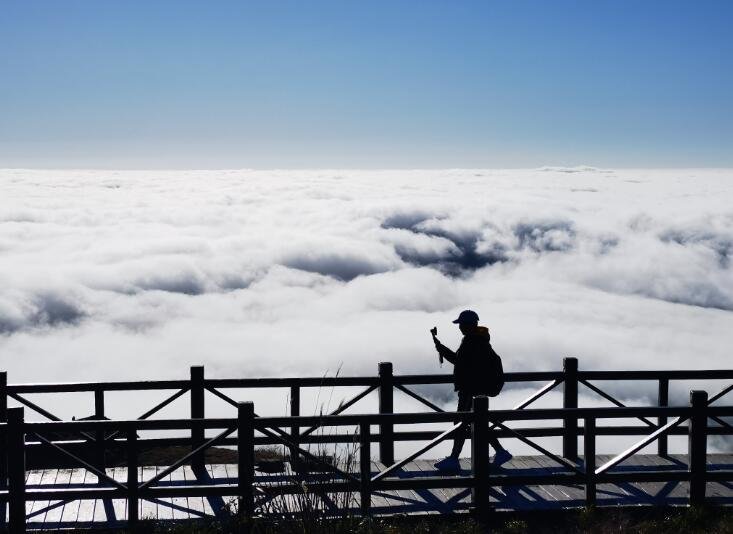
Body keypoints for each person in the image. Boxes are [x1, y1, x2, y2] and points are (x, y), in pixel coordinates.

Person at [431, 309, 511, 471]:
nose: (459, 327)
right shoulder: (480, 340)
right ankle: (500, 451)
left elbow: (459, 361)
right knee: (477, 422)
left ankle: (454, 459)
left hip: (470, 389)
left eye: (461, 324)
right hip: (478, 388)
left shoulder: (471, 341)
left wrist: (442, 349)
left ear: (468, 325)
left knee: (461, 423)